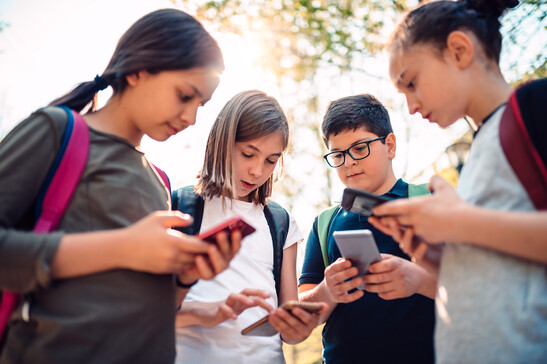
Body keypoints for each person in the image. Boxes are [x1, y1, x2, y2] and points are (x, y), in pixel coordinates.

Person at [0, 9, 240, 364]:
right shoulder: (57, 131)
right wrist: (122, 247)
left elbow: (150, 303)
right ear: (139, 70)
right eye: (184, 95)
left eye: (201, 105)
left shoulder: (160, 180)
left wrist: (184, 279)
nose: (191, 118)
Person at [368, 0, 547, 362]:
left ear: (459, 50)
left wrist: (458, 221)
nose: (412, 107)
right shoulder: (480, 148)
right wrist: (437, 258)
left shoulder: (534, 107)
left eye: (412, 83)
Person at [172, 90, 326, 363]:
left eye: (271, 160)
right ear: (223, 142)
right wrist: (206, 312)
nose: (257, 171)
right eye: (248, 154)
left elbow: (290, 334)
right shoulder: (180, 206)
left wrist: (304, 317)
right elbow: (148, 313)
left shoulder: (280, 222)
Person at [298, 94, 437, 364]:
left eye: (360, 148)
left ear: (390, 145)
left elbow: (470, 286)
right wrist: (328, 290)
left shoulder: (429, 202)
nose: (349, 162)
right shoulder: (325, 222)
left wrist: (417, 279)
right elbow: (305, 306)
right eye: (337, 154)